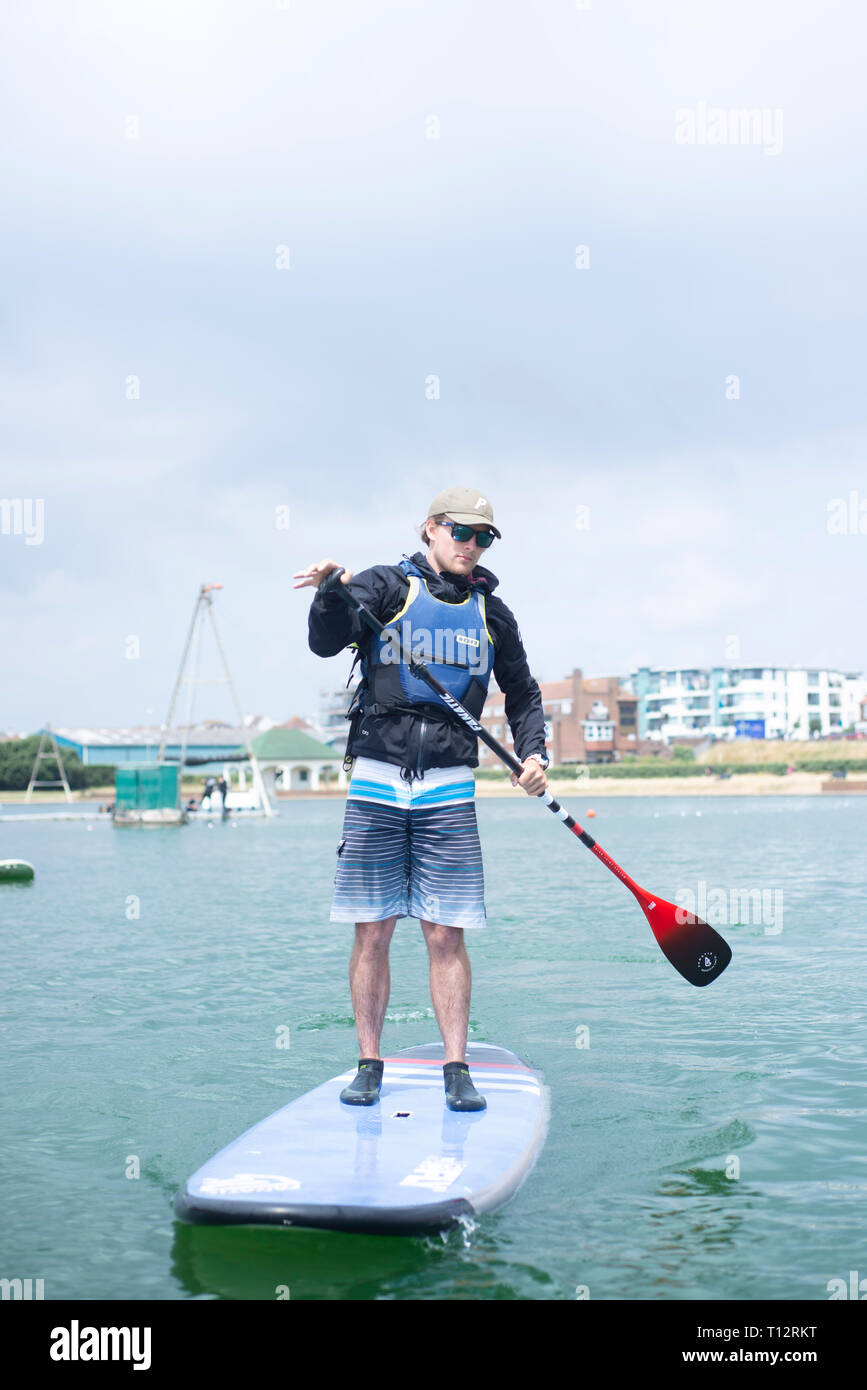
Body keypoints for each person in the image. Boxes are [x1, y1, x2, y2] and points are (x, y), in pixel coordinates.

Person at [294, 487, 549, 1112]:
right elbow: (327, 641)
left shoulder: (495, 614)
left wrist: (535, 752)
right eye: (461, 531)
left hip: (449, 788)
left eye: (483, 536)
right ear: (431, 528)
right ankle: (368, 1063)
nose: (471, 544)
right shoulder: (383, 587)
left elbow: (522, 691)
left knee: (445, 935)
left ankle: (456, 1068)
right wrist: (331, 591)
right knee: (373, 930)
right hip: (378, 781)